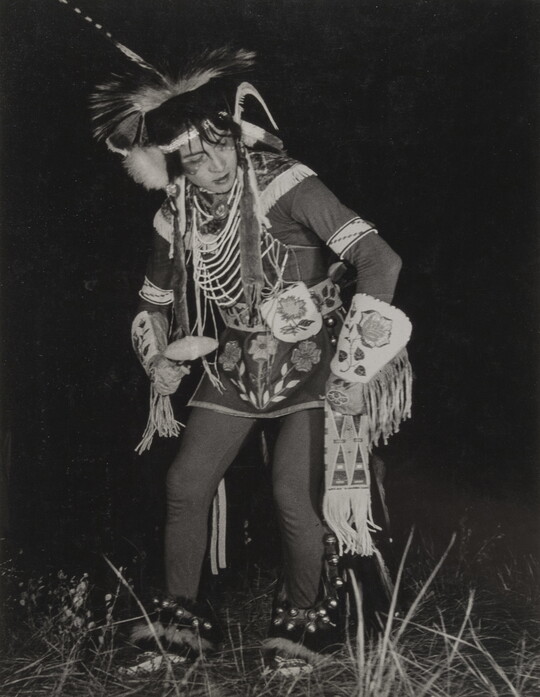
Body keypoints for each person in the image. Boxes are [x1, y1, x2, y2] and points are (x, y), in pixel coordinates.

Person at [92, 47, 411, 675]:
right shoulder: (176, 213)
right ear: (172, 163)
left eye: (218, 146)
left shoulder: (287, 184)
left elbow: (380, 260)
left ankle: (303, 626)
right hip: (238, 361)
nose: (210, 165)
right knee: (185, 484)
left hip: (320, 358)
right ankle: (181, 627)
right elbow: (154, 300)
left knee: (294, 494)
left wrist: (355, 371)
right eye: (191, 156)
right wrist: (159, 358)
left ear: (237, 136)